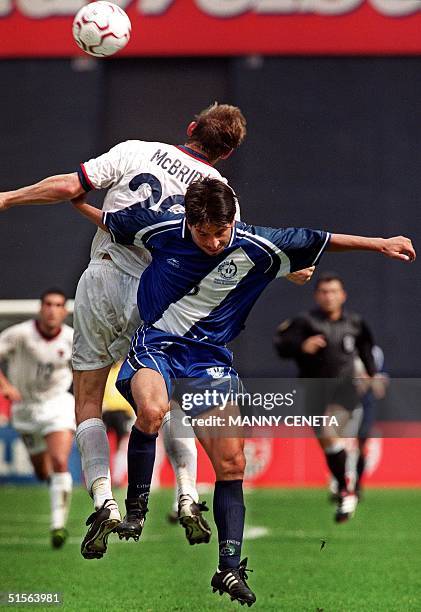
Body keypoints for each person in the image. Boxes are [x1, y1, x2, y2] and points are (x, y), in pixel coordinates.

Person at [73, 177, 414, 605]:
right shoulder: (161, 228)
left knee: (232, 462)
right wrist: (73, 197)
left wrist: (380, 243)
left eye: (221, 233)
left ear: (233, 220)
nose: (214, 243)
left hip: (210, 361)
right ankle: (136, 509)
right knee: (152, 409)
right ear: (188, 223)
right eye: (204, 234)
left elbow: (323, 240)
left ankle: (229, 569)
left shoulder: (260, 245)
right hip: (156, 346)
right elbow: (107, 220)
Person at [0, 103, 249, 557]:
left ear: (190, 128)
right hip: (157, 293)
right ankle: (188, 494)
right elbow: (229, 251)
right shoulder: (220, 191)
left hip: (102, 276)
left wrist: (8, 198)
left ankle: (104, 499)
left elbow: (68, 187)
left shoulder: (137, 150)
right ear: (227, 154)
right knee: (165, 400)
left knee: (88, 398)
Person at [274, 272, 381, 522]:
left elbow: (366, 348)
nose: (329, 296)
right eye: (324, 292)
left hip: (345, 389)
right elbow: (281, 345)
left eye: (333, 291)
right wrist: (301, 346)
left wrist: (371, 374)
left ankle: (347, 488)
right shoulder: (305, 322)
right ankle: (345, 482)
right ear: (317, 295)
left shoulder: (355, 322)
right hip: (313, 389)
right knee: (328, 442)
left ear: (342, 295)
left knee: (330, 427)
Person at [0, 289, 74, 548]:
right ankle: (51, 485)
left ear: (65, 311)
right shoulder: (19, 334)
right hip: (25, 409)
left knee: (59, 460)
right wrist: (5, 385)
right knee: (43, 472)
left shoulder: (71, 339)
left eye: (58, 305)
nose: (52, 309)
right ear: (40, 308)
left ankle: (58, 526)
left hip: (57, 404)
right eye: (48, 304)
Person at [102, 361, 135, 488]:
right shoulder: (108, 372)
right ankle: (101, 476)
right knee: (101, 443)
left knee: (122, 446)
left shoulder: (127, 371)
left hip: (123, 413)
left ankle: (117, 477)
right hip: (108, 412)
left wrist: (133, 414)